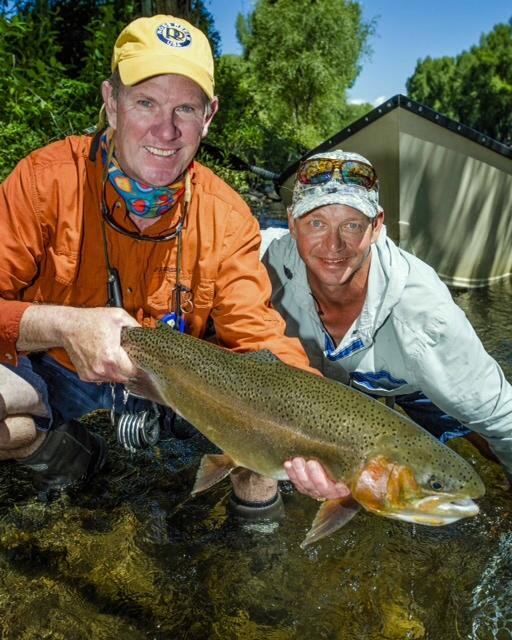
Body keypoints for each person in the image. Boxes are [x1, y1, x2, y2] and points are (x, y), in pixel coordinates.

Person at [0, 14, 319, 513]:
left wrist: (319, 425)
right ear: (111, 102)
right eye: (146, 102)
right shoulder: (43, 181)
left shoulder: (228, 215)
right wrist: (60, 324)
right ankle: (77, 466)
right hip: (59, 369)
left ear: (208, 116)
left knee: (267, 443)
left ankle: (256, 557)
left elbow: (259, 341)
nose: (166, 130)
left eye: (185, 108)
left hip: (178, 384)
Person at [262, 149, 512, 499]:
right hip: (319, 385)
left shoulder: (428, 318)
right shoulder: (260, 258)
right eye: (316, 223)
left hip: (410, 385)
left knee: (475, 442)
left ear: (377, 225)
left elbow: (504, 420)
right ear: (291, 223)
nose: (333, 245)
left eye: (352, 225)